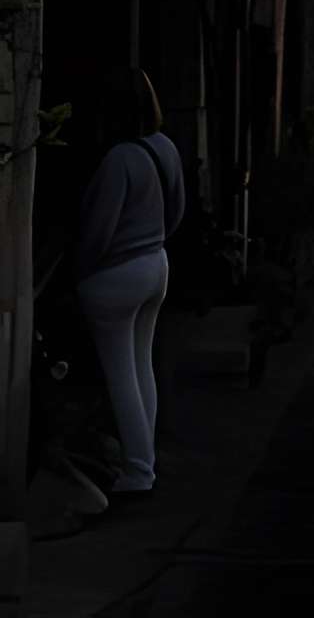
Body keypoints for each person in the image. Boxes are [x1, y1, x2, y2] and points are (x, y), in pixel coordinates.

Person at [75, 68, 185, 494]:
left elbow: (97, 232)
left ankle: (138, 471)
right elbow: (176, 213)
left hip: (116, 276)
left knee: (122, 373)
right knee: (141, 368)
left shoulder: (119, 158)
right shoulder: (165, 148)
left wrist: (80, 271)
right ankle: (144, 463)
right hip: (155, 264)